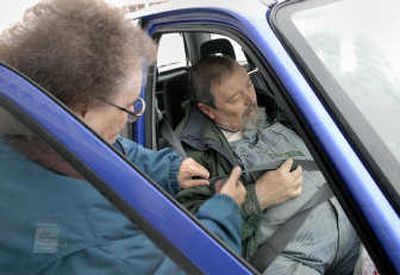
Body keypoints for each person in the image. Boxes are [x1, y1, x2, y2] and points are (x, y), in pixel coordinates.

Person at [0, 1, 247, 274]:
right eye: (129, 105)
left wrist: (170, 168)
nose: (135, 114)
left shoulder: (39, 133)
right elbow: (192, 268)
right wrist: (226, 211)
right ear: (82, 106)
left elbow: (117, 151)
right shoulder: (89, 240)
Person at [175, 56, 360, 274]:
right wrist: (258, 196)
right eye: (235, 98)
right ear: (207, 110)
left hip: (355, 227)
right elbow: (194, 239)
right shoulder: (191, 159)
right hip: (294, 258)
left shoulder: (276, 106)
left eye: (249, 85)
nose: (251, 99)